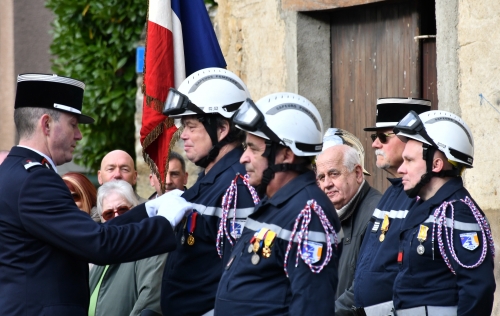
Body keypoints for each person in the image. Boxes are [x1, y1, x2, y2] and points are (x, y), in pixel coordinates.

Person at [0, 73, 189, 315]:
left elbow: (89, 234)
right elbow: (99, 244)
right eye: (73, 124)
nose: (78, 135)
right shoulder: (35, 180)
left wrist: (147, 210)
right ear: (46, 124)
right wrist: (164, 222)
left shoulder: (13, 173)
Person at [215, 92, 342, 315]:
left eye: (253, 148)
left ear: (285, 155)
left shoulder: (308, 214)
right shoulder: (273, 205)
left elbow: (312, 306)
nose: (243, 158)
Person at [154, 67, 256, 315]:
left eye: (191, 126)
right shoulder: (209, 177)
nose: (183, 136)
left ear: (221, 129)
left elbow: (240, 277)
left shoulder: (236, 185)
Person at [391, 110, 495, 315]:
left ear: (436, 164)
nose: (401, 169)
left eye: (409, 160)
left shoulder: (458, 211)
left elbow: (477, 290)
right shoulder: (426, 208)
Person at [337, 97, 430, 316]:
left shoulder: (423, 197)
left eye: (382, 137)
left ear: (410, 140)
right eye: (373, 136)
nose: (374, 144)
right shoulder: (391, 193)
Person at [316, 130, 381, 302]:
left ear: (358, 173)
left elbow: (367, 287)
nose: (326, 184)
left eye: (334, 174)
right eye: (321, 177)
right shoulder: (327, 216)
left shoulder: (376, 214)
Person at [89, 180, 167, 316]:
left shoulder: (148, 247)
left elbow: (149, 302)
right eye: (109, 214)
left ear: (136, 210)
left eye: (123, 210)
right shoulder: (101, 251)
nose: (117, 217)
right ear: (102, 219)